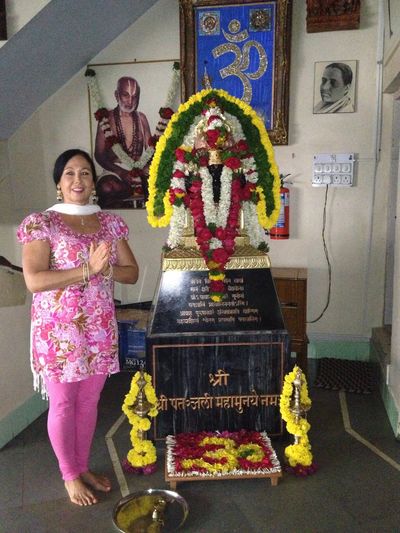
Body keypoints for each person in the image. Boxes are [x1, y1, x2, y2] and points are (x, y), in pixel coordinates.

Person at [17, 148, 139, 506]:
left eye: (85, 173)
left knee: (89, 402)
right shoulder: (43, 223)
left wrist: (105, 270)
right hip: (59, 330)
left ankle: (82, 466)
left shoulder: (108, 223)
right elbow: (35, 280)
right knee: (64, 404)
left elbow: (131, 272)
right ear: (59, 182)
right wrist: (87, 270)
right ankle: (69, 475)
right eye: (69, 173)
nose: (78, 180)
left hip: (99, 326)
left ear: (93, 182)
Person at [94, 76, 152, 208]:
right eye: (126, 95)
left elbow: (151, 150)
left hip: (140, 169)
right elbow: (99, 155)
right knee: (107, 188)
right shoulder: (106, 118)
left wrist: (144, 168)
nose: (130, 101)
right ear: (116, 95)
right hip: (115, 170)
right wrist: (120, 172)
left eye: (134, 96)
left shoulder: (141, 118)